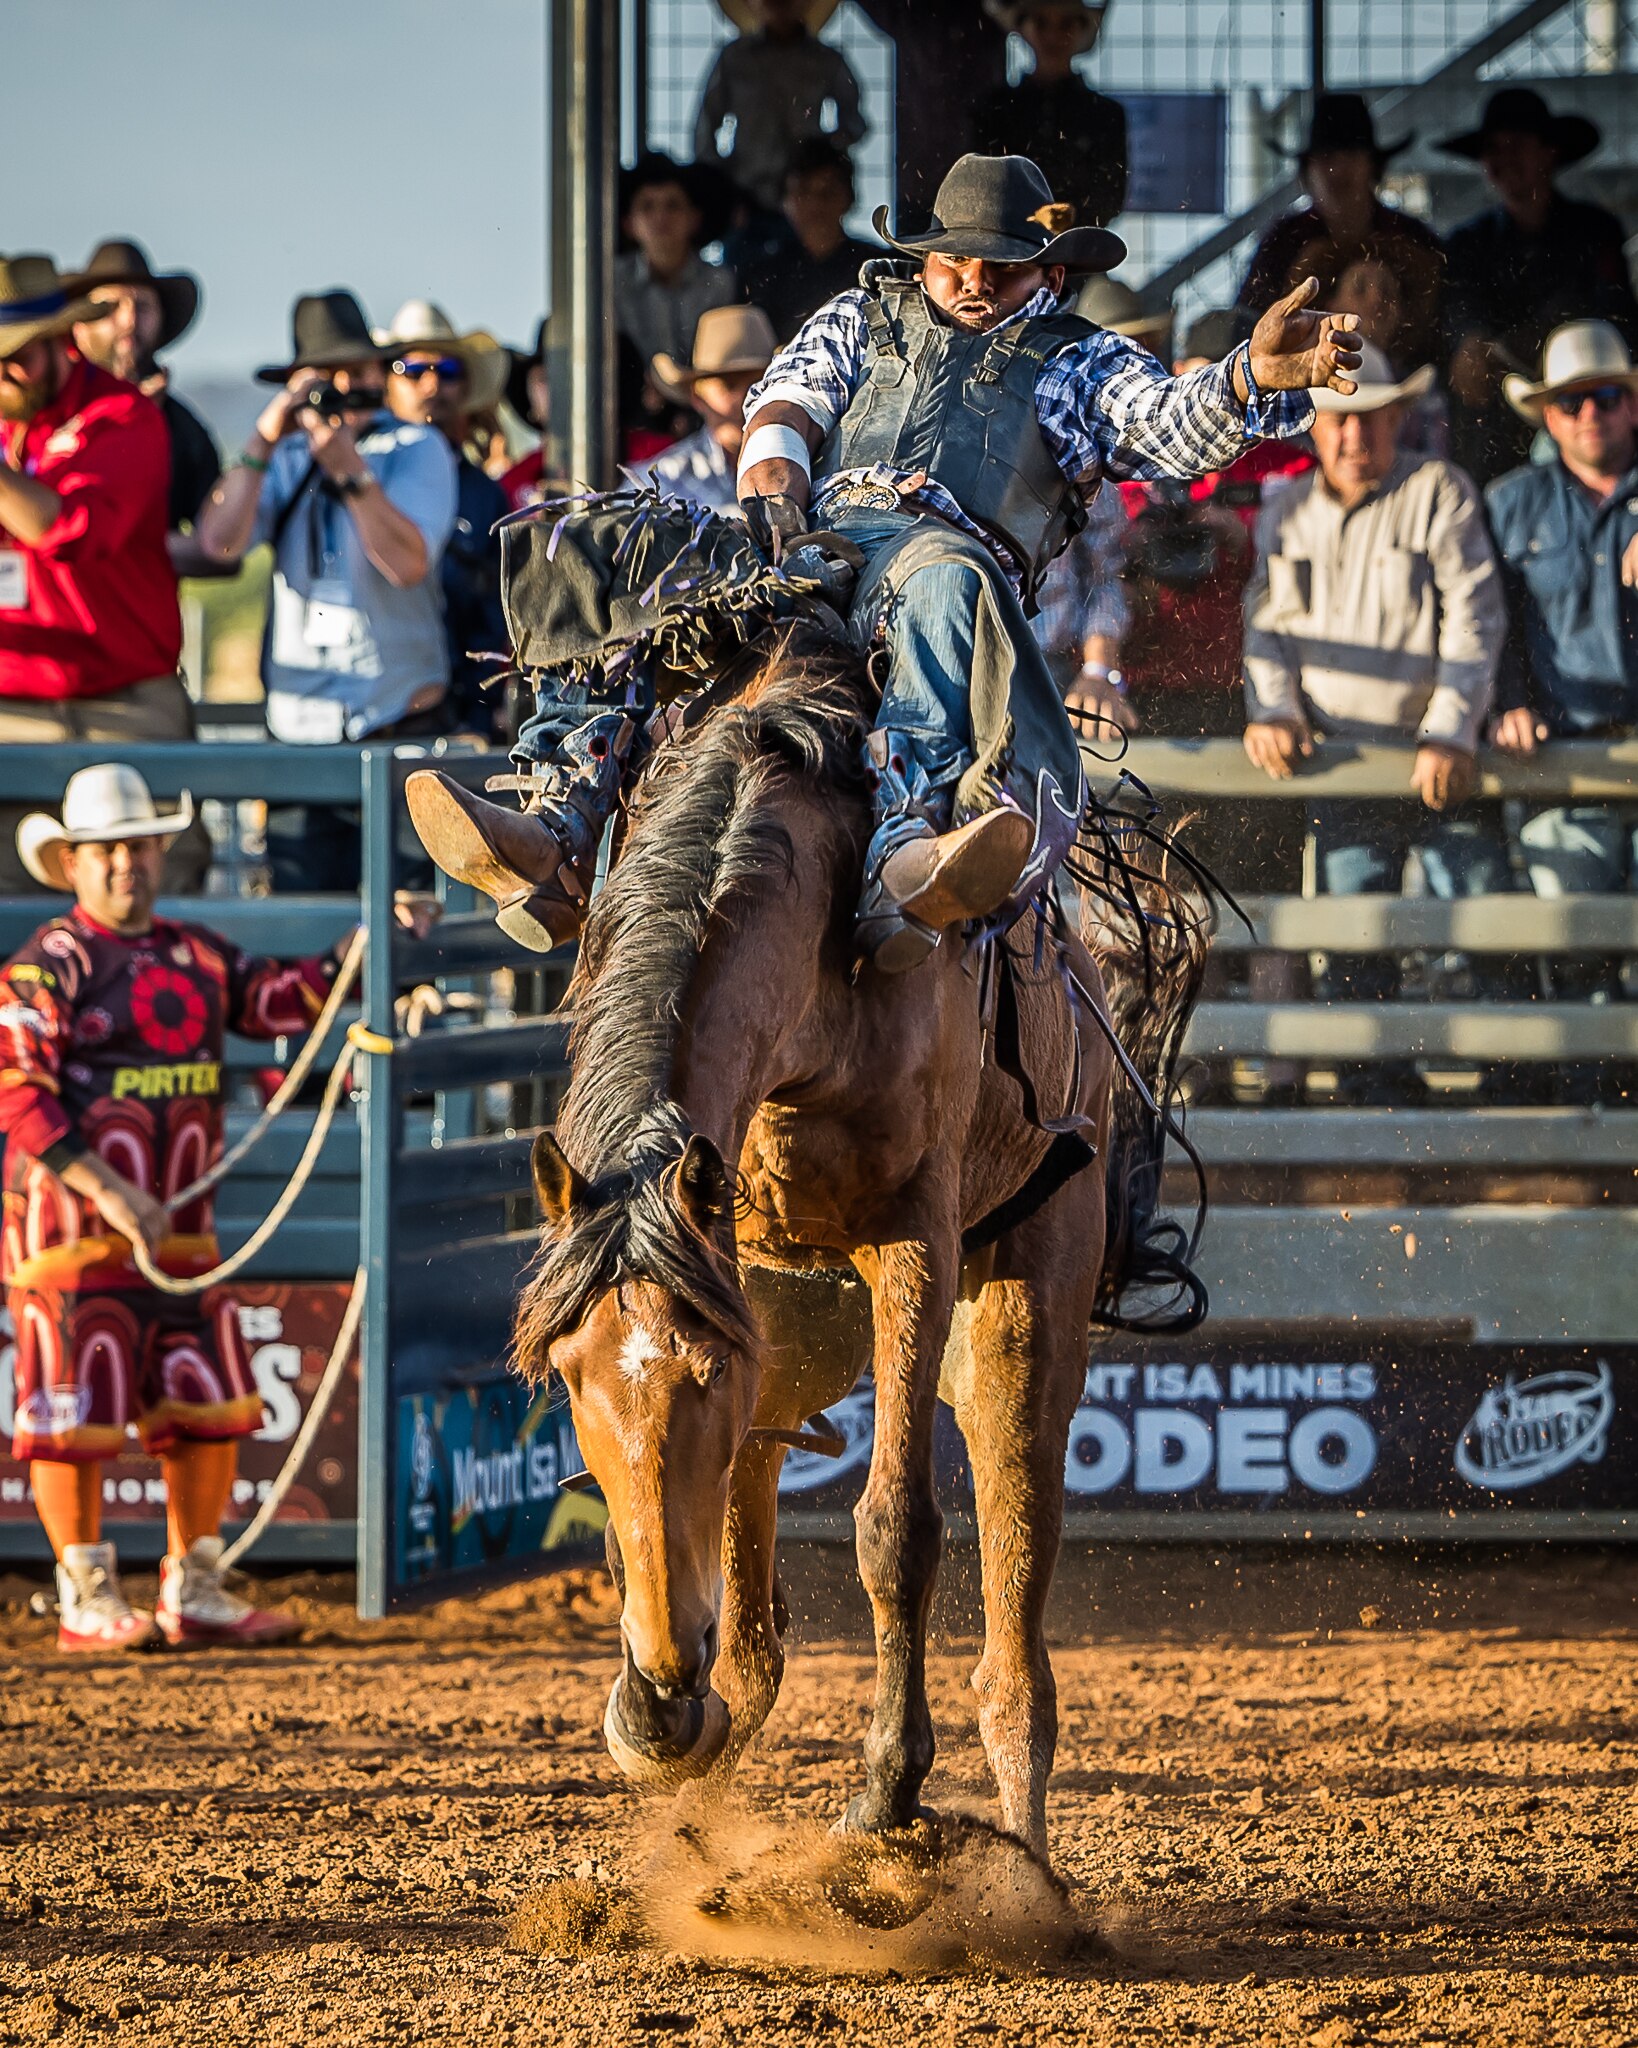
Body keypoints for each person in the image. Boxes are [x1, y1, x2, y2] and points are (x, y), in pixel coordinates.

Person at [406, 154, 1356, 970]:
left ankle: (908, 837)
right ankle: (563, 810)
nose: (974, 282)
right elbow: (786, 403)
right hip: (809, 541)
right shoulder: (859, 319)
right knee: (601, 532)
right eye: (955, 263)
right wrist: (775, 490)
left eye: (1002, 265)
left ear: (1046, 274)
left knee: (948, 573)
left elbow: (1164, 428)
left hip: (945, 563)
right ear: (926, 258)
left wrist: (1248, 376)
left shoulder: (1080, 363)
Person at [0, 767, 328, 1650]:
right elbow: (20, 1098)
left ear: (160, 853)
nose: (126, 865)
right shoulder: (44, 969)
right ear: (71, 862)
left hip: (181, 1240)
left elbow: (273, 997)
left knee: (208, 1401)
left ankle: (198, 1584)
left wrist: (360, 962)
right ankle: (85, 1590)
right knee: (74, 1414)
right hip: (69, 1241)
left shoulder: (200, 955)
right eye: (108, 850)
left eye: (140, 846)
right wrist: (112, 1192)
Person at [1243, 340, 1511, 1098]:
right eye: (1337, 420)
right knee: (1355, 937)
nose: (1353, 436)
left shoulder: (1438, 490)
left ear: (1395, 420)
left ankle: (1518, 1088)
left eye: (1369, 420)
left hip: (1438, 754)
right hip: (1343, 764)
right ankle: (1376, 1098)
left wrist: (1451, 727)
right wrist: (1273, 710)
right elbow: (1265, 625)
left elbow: (1474, 620)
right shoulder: (1286, 511)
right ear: (1315, 427)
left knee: (1485, 915)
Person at [194, 291, 457, 891]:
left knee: (409, 927)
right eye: (327, 375)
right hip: (302, 736)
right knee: (309, 940)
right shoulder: (283, 459)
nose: (345, 385)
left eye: (359, 371)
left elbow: (407, 563)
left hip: (395, 723)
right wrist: (265, 437)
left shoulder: (417, 449)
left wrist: (347, 469)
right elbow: (220, 544)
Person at [0, 255, 208, 896]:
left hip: (126, 706)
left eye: (18, 355)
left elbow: (62, 529)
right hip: (13, 711)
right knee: (11, 911)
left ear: (58, 340)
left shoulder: (123, 415)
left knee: (152, 901)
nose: (6, 373)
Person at [1488, 322, 1638, 922]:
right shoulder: (1508, 502)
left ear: (1632, 406)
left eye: (1605, 397)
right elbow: (1487, 621)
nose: (1588, 414)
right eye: (1571, 401)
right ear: (1549, 416)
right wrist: (1508, 702)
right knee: (1578, 949)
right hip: (1559, 766)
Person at [1441, 89, 1638, 485]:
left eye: (1516, 146)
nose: (1503, 160)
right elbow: (1460, 311)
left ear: (1549, 152)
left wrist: (1525, 341)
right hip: (1498, 419)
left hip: (1588, 408)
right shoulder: (1467, 243)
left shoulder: (1595, 232)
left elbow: (1616, 316)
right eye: (1493, 150)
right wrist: (1471, 342)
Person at [1238, 94, 1445, 382]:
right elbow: (1248, 326)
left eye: (1350, 155)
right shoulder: (1284, 243)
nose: (1338, 169)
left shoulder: (1413, 239)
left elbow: (1446, 332)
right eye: (1326, 158)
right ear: (1307, 171)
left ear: (1373, 165)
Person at [380, 300, 511, 739]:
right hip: (371, 716)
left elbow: (499, 617)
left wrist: (479, 715)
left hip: (457, 725)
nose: (432, 384)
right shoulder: (356, 481)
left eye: (448, 370)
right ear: (386, 383)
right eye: (412, 369)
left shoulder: (487, 498)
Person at [66, 239, 223, 569]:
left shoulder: (184, 432)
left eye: (143, 306)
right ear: (78, 324)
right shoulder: (42, 413)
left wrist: (134, 546)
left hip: (141, 615)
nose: (129, 320)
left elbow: (223, 552)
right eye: (111, 307)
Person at [615, 154, 741, 457]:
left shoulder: (722, 283)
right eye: (647, 206)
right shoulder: (610, 283)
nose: (661, 217)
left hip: (708, 422)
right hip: (628, 428)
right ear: (629, 223)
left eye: (672, 205)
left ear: (694, 218)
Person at [692, 0, 866, 218]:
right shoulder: (734, 57)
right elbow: (706, 124)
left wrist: (823, 155)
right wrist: (721, 187)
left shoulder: (825, 60)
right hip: (745, 199)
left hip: (808, 203)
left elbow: (855, 122)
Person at [972, 2, 1126, 231]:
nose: (1053, 35)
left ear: (1082, 29)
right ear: (1023, 28)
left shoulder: (1105, 115)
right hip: (1007, 250)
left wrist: (1071, 220)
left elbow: (1110, 195)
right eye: (1041, 23)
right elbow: (980, 185)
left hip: (1078, 254)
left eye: (1066, 23)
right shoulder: (996, 110)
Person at [635, 307, 778, 519]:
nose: (748, 400)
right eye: (729, 387)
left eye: (760, 384)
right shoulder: (660, 481)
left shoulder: (815, 465)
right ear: (698, 397)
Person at [734, 140, 880, 342]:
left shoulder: (876, 268)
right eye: (803, 192)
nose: (815, 204)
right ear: (784, 201)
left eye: (827, 192)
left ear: (849, 197)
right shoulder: (762, 275)